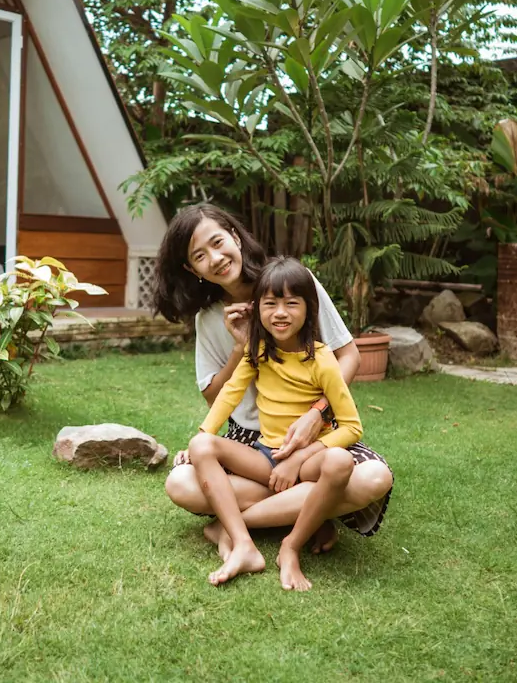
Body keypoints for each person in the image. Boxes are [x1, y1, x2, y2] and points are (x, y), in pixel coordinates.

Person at [155, 204, 393, 574]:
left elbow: (349, 356)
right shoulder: (209, 318)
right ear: (190, 269)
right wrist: (240, 348)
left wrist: (317, 413)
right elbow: (217, 397)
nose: (215, 259)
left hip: (313, 435)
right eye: (199, 256)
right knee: (181, 485)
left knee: (373, 477)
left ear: (235, 235)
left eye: (218, 242)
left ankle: (233, 525)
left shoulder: (295, 283)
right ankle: (310, 510)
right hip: (251, 441)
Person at [188, 256, 363, 590]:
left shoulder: (323, 360)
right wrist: (203, 434)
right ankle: (243, 544)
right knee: (201, 446)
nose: (280, 313)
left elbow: (352, 427)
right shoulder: (258, 352)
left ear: (309, 309)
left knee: (341, 462)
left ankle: (291, 545)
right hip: (266, 455)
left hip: (309, 458)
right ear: (257, 309)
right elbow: (227, 396)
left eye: (291, 304)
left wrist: (297, 458)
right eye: (270, 304)